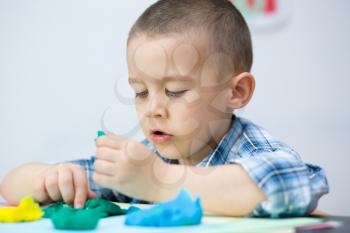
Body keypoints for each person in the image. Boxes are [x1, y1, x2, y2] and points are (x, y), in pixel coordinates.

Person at [0, 0, 329, 217]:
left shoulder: (250, 148)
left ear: (236, 92)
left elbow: (289, 184)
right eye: (140, 92)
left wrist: (159, 182)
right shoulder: (146, 159)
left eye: (175, 91)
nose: (153, 109)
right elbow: (11, 185)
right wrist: (52, 179)